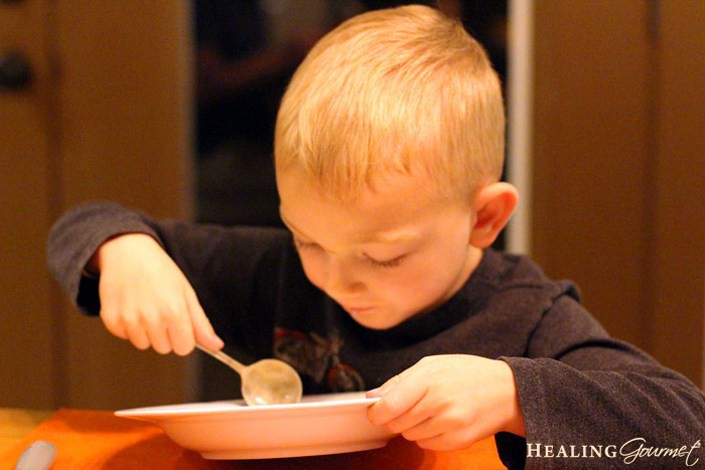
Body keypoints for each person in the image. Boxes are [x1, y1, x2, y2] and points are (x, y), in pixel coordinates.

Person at [48, 5, 704, 468]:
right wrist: (124, 252)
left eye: (381, 255)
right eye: (306, 238)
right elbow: (85, 222)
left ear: (483, 219)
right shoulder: (275, 273)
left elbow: (685, 437)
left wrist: (514, 396)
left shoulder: (528, 318)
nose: (334, 277)